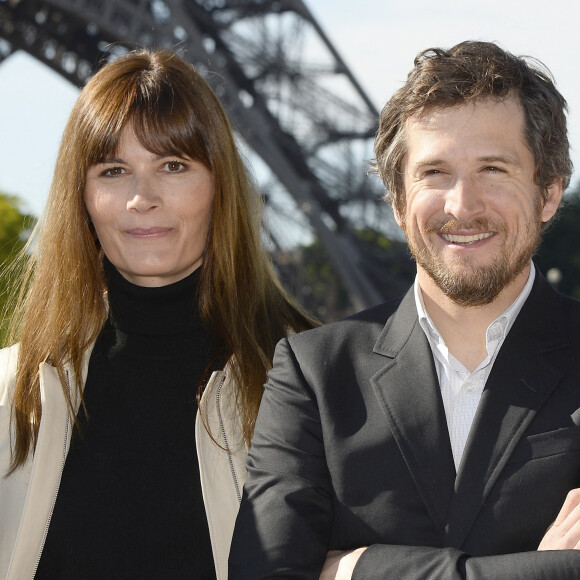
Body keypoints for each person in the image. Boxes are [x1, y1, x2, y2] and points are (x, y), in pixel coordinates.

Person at [229, 40, 580, 579]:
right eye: (434, 172)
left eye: (493, 168)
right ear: (397, 203)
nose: (462, 206)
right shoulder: (313, 374)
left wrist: (354, 571)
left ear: (549, 193)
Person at [0, 49, 315, 580]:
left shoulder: (314, 384)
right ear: (83, 196)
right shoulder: (11, 394)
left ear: (220, 185)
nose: (142, 198)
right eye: (114, 170)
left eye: (173, 165)